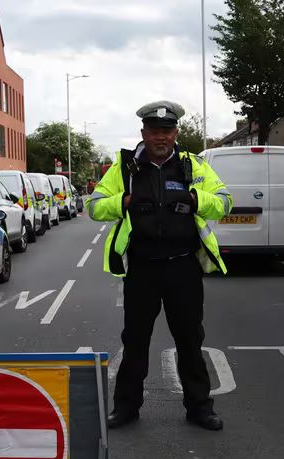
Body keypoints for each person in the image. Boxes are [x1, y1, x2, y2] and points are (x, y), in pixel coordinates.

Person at [87, 101, 233, 431]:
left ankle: (199, 407)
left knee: (190, 340)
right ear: (144, 133)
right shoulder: (124, 168)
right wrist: (121, 202)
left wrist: (197, 199)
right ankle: (126, 407)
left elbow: (224, 202)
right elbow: (94, 207)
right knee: (135, 340)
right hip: (143, 269)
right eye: (154, 131)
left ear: (176, 133)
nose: (161, 137)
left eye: (167, 131)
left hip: (183, 268)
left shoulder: (193, 165)